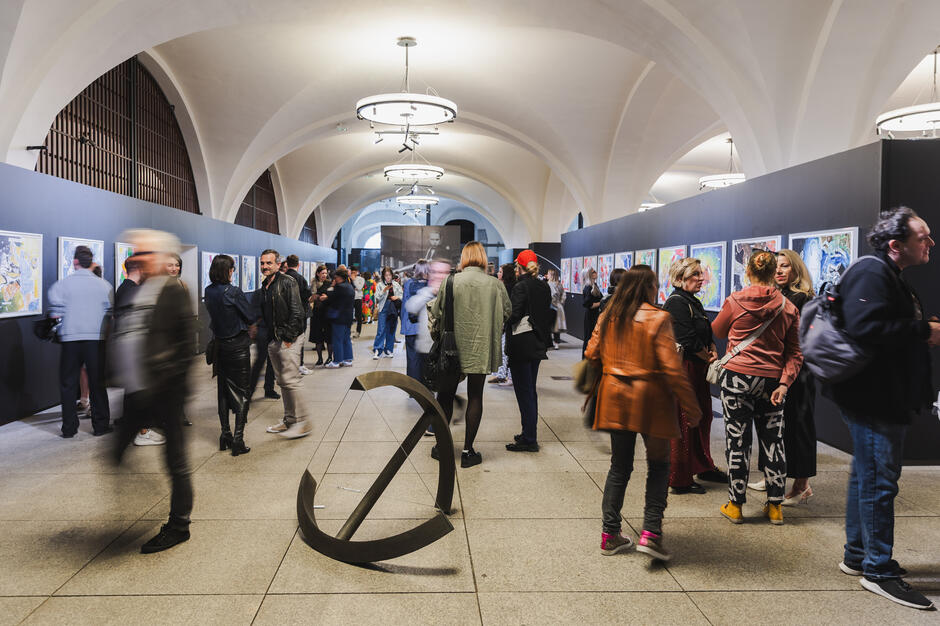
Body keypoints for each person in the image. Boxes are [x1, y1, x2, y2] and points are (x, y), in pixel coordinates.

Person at [825, 207, 939, 610]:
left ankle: (858, 556)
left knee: (867, 477)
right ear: (896, 245)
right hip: (873, 398)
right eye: (922, 237)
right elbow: (865, 327)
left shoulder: (885, 274)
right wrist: (925, 330)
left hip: (878, 395)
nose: (930, 243)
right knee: (879, 483)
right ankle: (878, 570)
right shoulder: (873, 272)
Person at [586, 265, 701, 561]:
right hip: (651, 399)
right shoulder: (659, 318)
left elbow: (590, 353)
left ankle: (610, 534)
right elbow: (672, 368)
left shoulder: (608, 315)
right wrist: (691, 405)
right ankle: (650, 533)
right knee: (659, 466)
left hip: (614, 396)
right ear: (649, 287)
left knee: (619, 466)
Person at [111, 229, 194, 553]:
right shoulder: (139, 289)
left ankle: (179, 525)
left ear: (160, 258)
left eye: (143, 253)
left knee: (176, 461)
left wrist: (169, 378)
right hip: (137, 389)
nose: (136, 258)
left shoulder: (172, 290)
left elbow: (185, 344)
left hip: (164, 390)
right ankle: (137, 497)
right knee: (116, 451)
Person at [712, 250, 802, 526]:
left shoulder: (734, 301)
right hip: (773, 383)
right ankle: (775, 507)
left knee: (737, 441)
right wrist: (785, 383)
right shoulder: (788, 307)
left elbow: (718, 330)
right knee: (774, 442)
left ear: (748, 272)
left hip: (737, 378)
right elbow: (795, 352)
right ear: (774, 273)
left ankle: (736, 506)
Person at [430, 241, 510, 468]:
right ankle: (467, 451)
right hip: (481, 348)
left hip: (451, 350)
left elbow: (437, 311)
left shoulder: (450, 281)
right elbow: (507, 312)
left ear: (464, 258)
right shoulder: (495, 284)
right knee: (476, 396)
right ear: (483, 258)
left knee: (445, 396)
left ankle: (443, 448)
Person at [662, 258, 727, 495]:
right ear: (679, 278)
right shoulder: (676, 303)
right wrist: (708, 355)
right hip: (684, 371)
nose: (701, 278)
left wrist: (711, 347)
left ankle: (702, 464)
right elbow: (686, 340)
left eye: (701, 274)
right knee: (685, 422)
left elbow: (704, 331)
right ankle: (680, 478)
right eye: (695, 274)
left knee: (703, 417)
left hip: (696, 370)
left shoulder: (692, 301)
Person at [47, 245, 113, 438]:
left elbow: (56, 314)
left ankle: (69, 429)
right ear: (90, 262)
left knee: (68, 384)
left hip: (70, 340)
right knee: (98, 383)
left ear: (75, 262)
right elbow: (110, 315)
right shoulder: (104, 285)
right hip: (96, 340)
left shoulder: (62, 285)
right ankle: (100, 426)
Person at [769, 249, 817, 505]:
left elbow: (801, 340)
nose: (779, 270)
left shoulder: (803, 298)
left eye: (785, 266)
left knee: (800, 426)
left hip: (800, 372)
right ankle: (779, 475)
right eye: (776, 266)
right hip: (781, 369)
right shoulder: (779, 294)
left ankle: (802, 485)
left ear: (796, 269)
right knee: (779, 427)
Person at [204, 254, 255, 456]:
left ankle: (225, 434)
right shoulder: (233, 292)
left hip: (219, 346)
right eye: (232, 269)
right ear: (227, 270)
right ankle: (238, 439)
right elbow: (250, 316)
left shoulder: (208, 291)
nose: (233, 272)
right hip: (237, 347)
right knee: (242, 393)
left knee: (223, 392)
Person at [259, 248, 310, 439]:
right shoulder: (266, 285)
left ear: (278, 264)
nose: (265, 266)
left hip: (290, 338)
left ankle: (304, 423)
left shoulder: (288, 282)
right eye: (262, 263)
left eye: (269, 263)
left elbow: (298, 312)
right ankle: (290, 420)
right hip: (275, 339)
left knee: (291, 380)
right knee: (283, 382)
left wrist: (289, 337)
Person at [505, 250, 553, 452]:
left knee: (524, 393)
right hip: (537, 343)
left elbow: (514, 314)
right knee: (530, 391)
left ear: (519, 267)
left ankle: (530, 439)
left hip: (521, 345)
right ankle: (527, 432)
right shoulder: (544, 286)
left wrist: (502, 318)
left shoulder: (520, 287)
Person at [407, 258, 451, 435]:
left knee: (443, 389)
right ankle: (435, 420)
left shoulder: (452, 292)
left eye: (444, 272)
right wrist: (430, 292)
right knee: (427, 390)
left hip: (446, 350)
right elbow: (411, 306)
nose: (439, 276)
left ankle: (437, 424)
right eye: (436, 272)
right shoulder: (425, 291)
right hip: (426, 349)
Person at [166, 253, 194, 427]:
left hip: (179, 342)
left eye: (177, 265)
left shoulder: (183, 286)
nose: (174, 268)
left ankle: (178, 414)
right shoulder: (157, 287)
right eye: (170, 265)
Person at [320, 267, 355, 368]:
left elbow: (332, 297)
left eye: (336, 277)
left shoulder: (339, 287)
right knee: (346, 339)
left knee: (337, 339)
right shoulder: (349, 286)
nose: (334, 279)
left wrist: (331, 288)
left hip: (339, 317)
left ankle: (337, 361)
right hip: (348, 317)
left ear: (340, 277)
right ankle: (348, 359)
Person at [401, 260, 430, 382]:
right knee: (427, 360)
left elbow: (404, 307)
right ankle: (427, 387)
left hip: (411, 327)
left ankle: (413, 389)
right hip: (427, 328)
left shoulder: (408, 284)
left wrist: (404, 327)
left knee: (412, 359)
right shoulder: (431, 285)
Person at [285, 255, 313, 375]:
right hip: (300, 314)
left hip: (286, 313)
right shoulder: (300, 278)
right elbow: (307, 295)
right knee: (299, 340)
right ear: (299, 264)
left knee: (286, 341)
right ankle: (299, 365)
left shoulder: (282, 278)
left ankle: (288, 366)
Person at [490, 263, 517, 386]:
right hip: (503, 323)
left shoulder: (510, 288)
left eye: (500, 272)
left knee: (507, 351)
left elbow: (507, 308)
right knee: (502, 350)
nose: (498, 273)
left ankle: (509, 377)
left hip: (508, 324)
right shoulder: (502, 286)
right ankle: (501, 375)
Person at [372, 266, 402, 359]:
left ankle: (389, 350)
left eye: (389, 275)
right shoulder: (380, 285)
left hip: (393, 309)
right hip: (383, 309)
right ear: (383, 276)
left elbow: (402, 295)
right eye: (386, 275)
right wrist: (384, 290)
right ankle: (377, 349)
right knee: (381, 330)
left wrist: (397, 297)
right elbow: (376, 297)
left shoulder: (396, 284)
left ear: (392, 275)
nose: (388, 277)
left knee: (391, 330)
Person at [309, 265, 334, 366]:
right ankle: (319, 358)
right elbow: (310, 298)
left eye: (325, 273)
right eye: (322, 273)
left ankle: (329, 357)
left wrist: (327, 297)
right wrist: (313, 298)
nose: (324, 275)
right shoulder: (313, 284)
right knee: (317, 337)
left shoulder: (329, 283)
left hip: (327, 313)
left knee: (329, 337)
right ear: (317, 273)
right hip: (316, 313)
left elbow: (333, 296)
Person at [581, 267, 602, 357]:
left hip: (595, 315)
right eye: (594, 271)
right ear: (590, 274)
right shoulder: (588, 287)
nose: (596, 272)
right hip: (591, 316)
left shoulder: (594, 286)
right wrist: (601, 303)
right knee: (589, 337)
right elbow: (588, 304)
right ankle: (586, 358)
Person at [546, 268, 567, 349]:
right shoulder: (559, 284)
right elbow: (564, 296)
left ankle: (550, 342)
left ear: (551, 275)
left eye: (548, 274)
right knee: (556, 327)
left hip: (551, 308)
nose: (547, 275)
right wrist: (560, 303)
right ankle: (556, 343)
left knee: (549, 326)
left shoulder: (548, 284)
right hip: (557, 308)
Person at [350, 266, 365, 338]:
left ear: (357, 272)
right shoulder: (348, 279)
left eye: (354, 272)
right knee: (349, 316)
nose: (353, 273)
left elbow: (359, 288)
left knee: (358, 316)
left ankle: (358, 331)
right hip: (350, 298)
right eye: (352, 272)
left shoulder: (361, 279)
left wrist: (354, 280)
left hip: (358, 299)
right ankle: (348, 331)